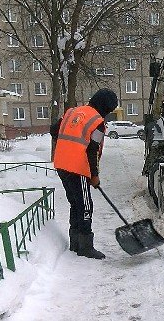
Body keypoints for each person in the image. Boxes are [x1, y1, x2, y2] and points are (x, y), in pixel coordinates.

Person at [50, 88, 118, 259]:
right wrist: (94, 175)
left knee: (75, 203)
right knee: (86, 205)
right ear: (105, 107)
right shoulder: (97, 122)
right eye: (109, 110)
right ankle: (86, 247)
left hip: (61, 164)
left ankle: (75, 243)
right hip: (78, 167)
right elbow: (92, 150)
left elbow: (53, 130)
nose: (108, 114)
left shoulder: (72, 112)